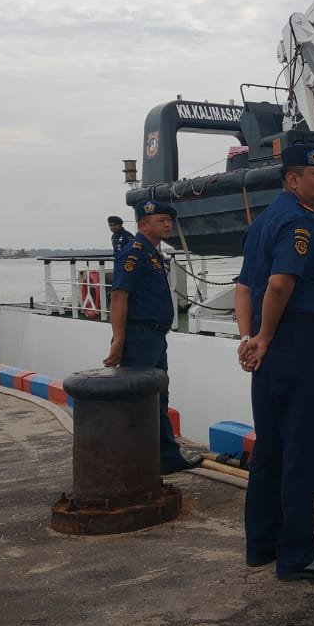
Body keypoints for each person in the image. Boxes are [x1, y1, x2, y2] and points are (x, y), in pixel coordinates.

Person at [234, 143, 314, 581]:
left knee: (271, 447)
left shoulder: (262, 222)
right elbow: (280, 285)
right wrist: (264, 338)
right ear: (292, 179)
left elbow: (244, 287)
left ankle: (261, 545)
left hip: (272, 349)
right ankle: (298, 554)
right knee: (305, 448)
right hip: (300, 344)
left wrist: (249, 338)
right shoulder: (299, 222)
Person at [103, 200, 202, 474]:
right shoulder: (134, 253)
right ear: (143, 224)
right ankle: (137, 460)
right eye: (161, 220)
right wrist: (118, 339)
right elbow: (119, 295)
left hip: (155, 336)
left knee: (158, 396)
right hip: (141, 336)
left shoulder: (152, 254)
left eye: (169, 220)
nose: (168, 225)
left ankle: (164, 457)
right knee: (142, 398)